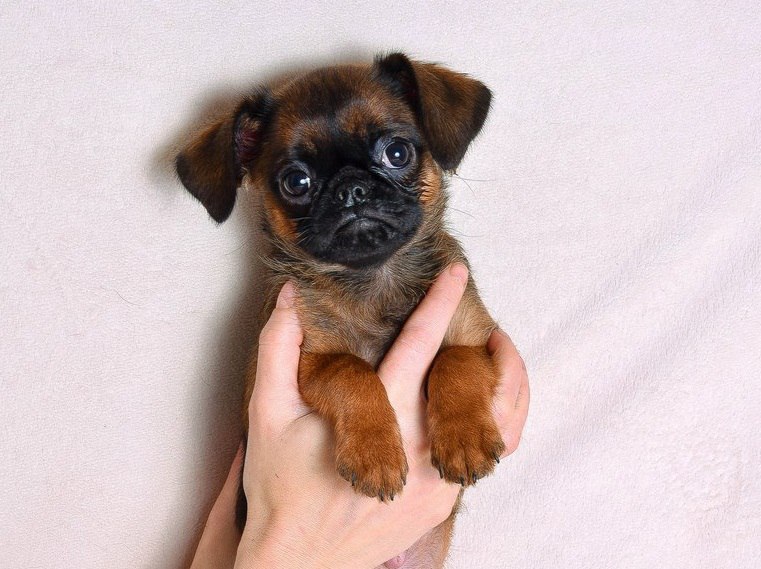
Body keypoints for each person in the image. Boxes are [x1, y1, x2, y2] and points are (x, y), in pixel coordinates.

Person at [189, 264, 530, 569]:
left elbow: (476, 353)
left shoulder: (445, 272)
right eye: (300, 192)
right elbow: (302, 376)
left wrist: (463, 399)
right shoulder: (303, 294)